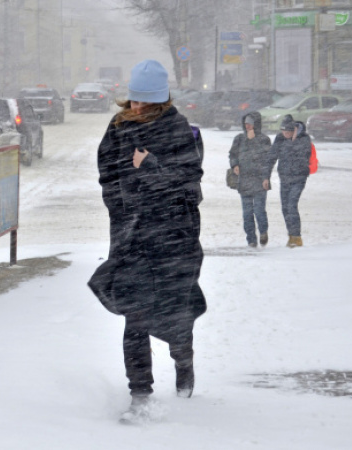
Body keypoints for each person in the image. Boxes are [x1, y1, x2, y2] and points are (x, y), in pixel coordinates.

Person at [91, 59, 207, 422]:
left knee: (176, 314)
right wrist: (121, 206)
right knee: (135, 316)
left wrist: (153, 169)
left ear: (161, 100)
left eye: (145, 102)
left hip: (173, 238)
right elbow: (106, 174)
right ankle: (140, 392)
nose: (136, 107)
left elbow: (191, 185)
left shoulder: (178, 129)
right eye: (134, 100)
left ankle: (183, 363)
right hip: (133, 238)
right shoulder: (118, 127)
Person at [228, 111, 272, 247]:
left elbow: (266, 160)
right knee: (247, 214)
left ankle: (263, 232)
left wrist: (266, 178)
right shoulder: (239, 138)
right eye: (246, 123)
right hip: (244, 181)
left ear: (256, 124)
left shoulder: (264, 139)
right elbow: (233, 154)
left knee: (259, 210)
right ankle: (251, 239)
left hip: (259, 181)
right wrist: (234, 164)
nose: (247, 126)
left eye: (250, 123)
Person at [268, 115, 311, 248]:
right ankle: (291, 236)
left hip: (299, 178)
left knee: (292, 205)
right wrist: (265, 176)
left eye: (287, 132)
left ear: (294, 130)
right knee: (285, 208)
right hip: (285, 178)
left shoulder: (304, 139)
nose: (285, 134)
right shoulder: (280, 138)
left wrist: (293, 142)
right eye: (283, 131)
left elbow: (303, 155)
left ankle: (297, 237)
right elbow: (272, 157)